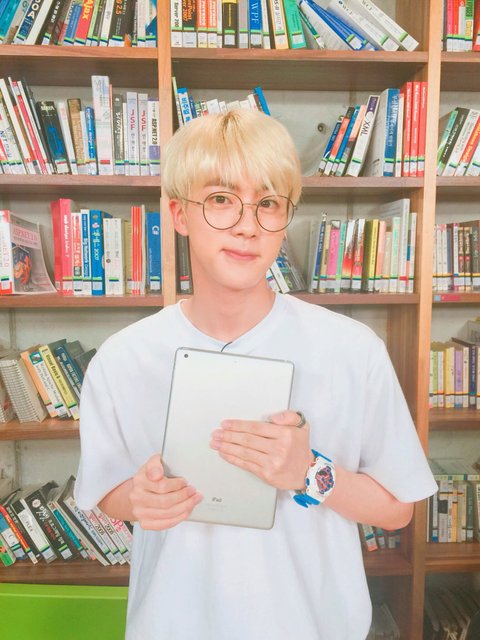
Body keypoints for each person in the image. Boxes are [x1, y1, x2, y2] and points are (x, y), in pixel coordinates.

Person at [75, 108, 438, 640]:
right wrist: (141, 498)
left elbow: (397, 509)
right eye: (221, 199)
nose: (247, 226)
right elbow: (107, 491)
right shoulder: (123, 359)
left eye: (268, 203)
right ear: (178, 213)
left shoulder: (351, 350)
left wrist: (308, 471)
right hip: (173, 625)